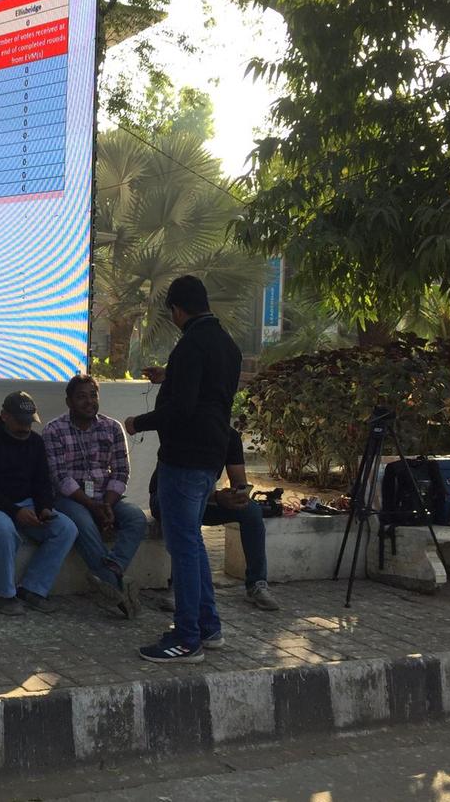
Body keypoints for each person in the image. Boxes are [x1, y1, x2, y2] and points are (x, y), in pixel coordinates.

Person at [125, 275, 242, 663]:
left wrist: (139, 422)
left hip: (185, 458)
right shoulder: (227, 345)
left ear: (177, 309)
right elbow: (208, 396)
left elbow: (183, 409)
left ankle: (187, 638)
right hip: (211, 454)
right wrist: (169, 377)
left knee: (185, 548)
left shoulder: (190, 345)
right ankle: (209, 628)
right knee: (192, 544)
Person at [43, 374, 147, 618]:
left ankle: (113, 567)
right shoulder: (54, 430)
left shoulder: (112, 427)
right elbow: (60, 478)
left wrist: (107, 504)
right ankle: (119, 590)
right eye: (81, 397)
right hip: (71, 498)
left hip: (107, 497)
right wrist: (93, 506)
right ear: (68, 402)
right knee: (83, 522)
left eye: (93, 396)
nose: (89, 402)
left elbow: (121, 472)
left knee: (136, 518)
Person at [0, 391, 78, 615]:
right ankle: (5, 595)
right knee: (4, 530)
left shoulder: (35, 442)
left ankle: (33, 588)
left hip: (25, 505)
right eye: (20, 422)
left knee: (66, 528)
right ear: (4, 416)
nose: (26, 427)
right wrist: (15, 511)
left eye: (29, 422)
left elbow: (42, 482)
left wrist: (45, 507)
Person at [151, 428, 279, 613]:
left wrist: (239, 494)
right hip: (166, 497)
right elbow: (183, 487)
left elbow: (238, 480)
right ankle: (181, 589)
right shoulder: (183, 432)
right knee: (187, 512)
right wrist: (217, 498)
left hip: (205, 499)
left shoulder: (229, 436)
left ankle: (257, 584)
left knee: (251, 511)